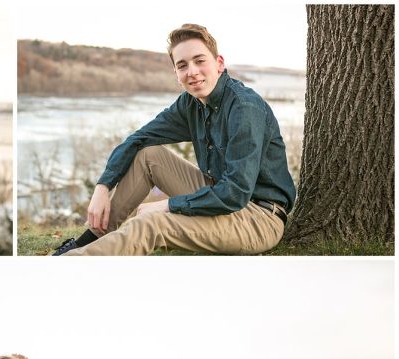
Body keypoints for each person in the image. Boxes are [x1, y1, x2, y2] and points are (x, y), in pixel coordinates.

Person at [52, 23, 296, 256]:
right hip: (219, 196)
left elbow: (235, 193)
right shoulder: (191, 104)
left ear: (219, 63)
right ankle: (90, 239)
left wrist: (168, 205)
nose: (192, 72)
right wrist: (103, 186)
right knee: (148, 155)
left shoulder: (244, 108)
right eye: (182, 65)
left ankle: (67, 266)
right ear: (177, 74)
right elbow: (139, 138)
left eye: (200, 61)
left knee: (152, 223)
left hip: (258, 218)